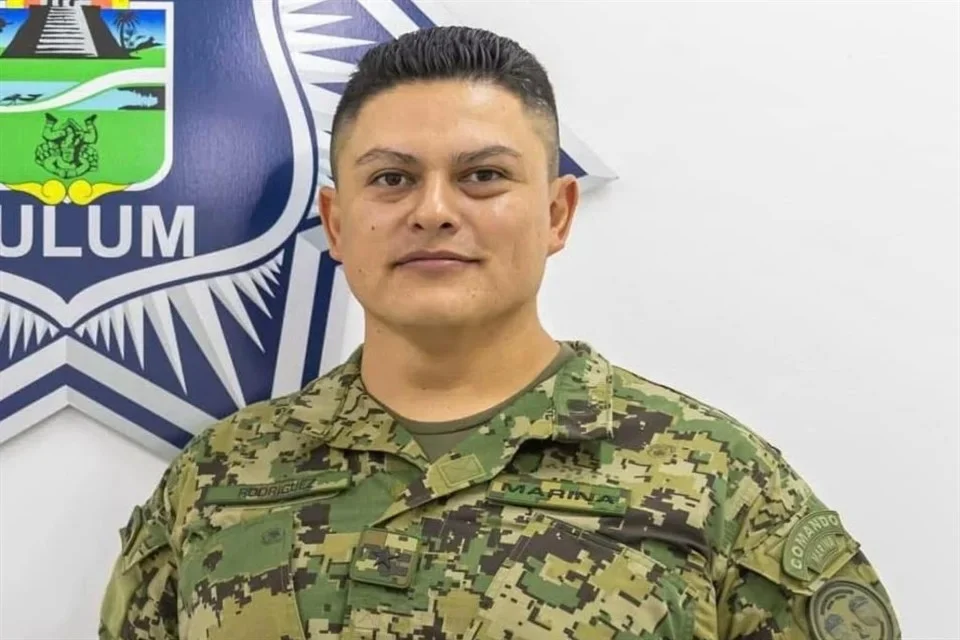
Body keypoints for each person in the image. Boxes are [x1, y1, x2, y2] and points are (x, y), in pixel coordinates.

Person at [98, 25, 900, 640]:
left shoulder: (715, 480)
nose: (433, 210)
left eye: (482, 176)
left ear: (557, 213)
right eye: (392, 178)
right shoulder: (219, 480)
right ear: (337, 224)